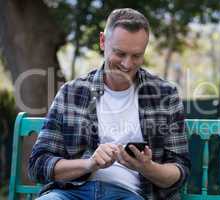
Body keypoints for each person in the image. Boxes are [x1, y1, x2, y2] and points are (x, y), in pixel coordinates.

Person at [29, 8, 190, 200]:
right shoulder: (71, 93)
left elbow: (180, 171)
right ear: (103, 41)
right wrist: (89, 164)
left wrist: (147, 167)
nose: (127, 64)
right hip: (70, 193)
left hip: (130, 194)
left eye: (136, 56)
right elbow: (38, 165)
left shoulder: (165, 95)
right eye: (120, 53)